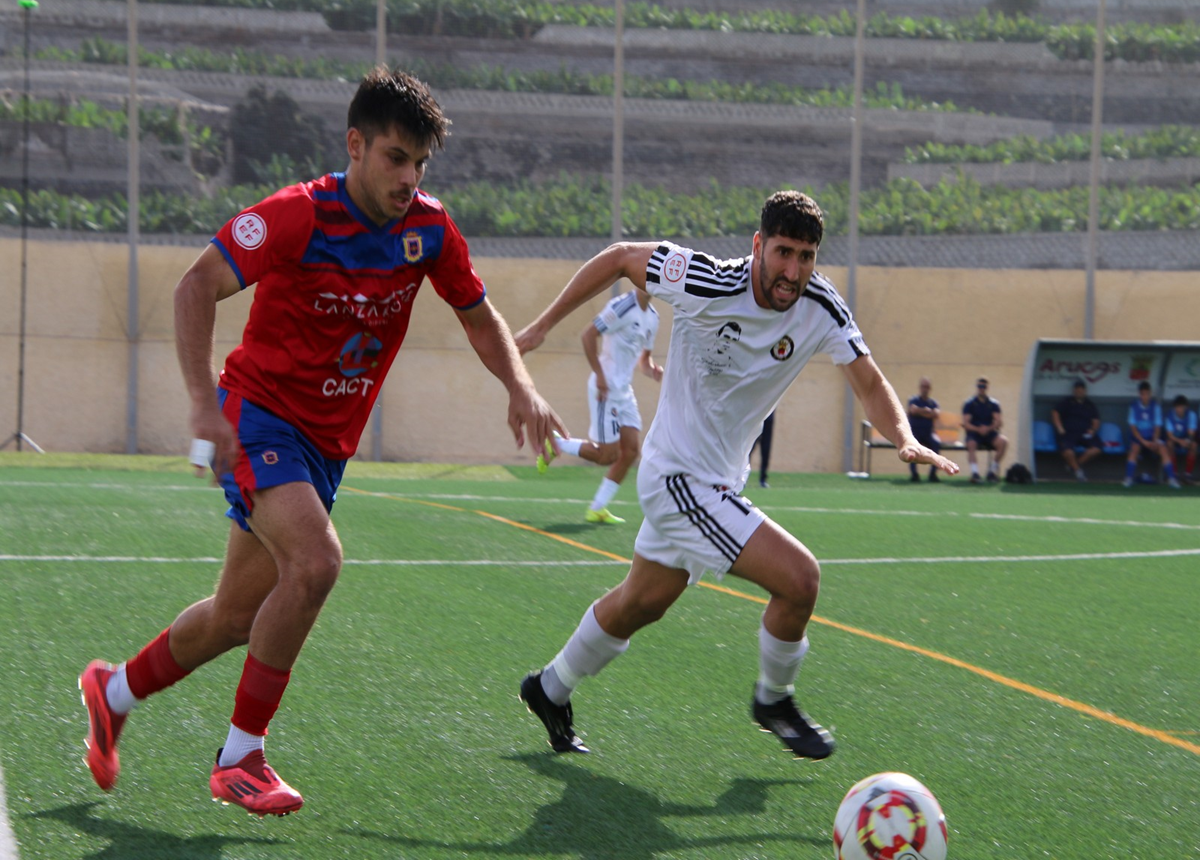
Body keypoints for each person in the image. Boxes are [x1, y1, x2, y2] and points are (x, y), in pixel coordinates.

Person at [77, 67, 563, 817]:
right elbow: (193, 286)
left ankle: (112, 693)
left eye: (421, 163)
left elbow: (475, 312)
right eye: (396, 158)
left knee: (237, 616)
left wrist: (520, 385)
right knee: (316, 561)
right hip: (258, 416)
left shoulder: (428, 229)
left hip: (326, 446)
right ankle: (240, 758)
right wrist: (204, 407)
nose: (410, 177)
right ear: (356, 145)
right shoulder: (296, 215)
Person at [511, 190, 957, 761]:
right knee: (800, 579)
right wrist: (545, 325)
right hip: (677, 479)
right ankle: (774, 699)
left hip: (719, 482)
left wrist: (904, 437)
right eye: (783, 252)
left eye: (807, 256)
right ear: (757, 247)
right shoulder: (704, 279)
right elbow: (622, 255)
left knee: (641, 603)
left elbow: (869, 380)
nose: (793, 271)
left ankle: (548, 688)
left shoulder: (821, 306)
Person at [537, 289, 663, 524]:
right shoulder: (622, 306)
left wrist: (653, 371)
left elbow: (644, 361)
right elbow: (588, 335)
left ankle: (597, 508)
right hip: (605, 389)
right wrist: (600, 374)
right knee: (606, 455)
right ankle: (556, 443)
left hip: (624, 392)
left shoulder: (653, 317)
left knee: (631, 451)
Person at [1125, 381, 1178, 488]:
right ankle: (1128, 478)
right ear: (1139, 394)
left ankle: (1172, 479)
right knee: (1134, 449)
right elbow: (1133, 428)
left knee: (1163, 449)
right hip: (1140, 438)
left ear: (1150, 393)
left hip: (1152, 437)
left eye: (1147, 394)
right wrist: (1143, 441)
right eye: (1143, 394)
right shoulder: (1134, 407)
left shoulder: (1155, 406)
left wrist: (1154, 440)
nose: (1145, 396)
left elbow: (1157, 426)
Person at [1050, 379, 1102, 482]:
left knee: (1096, 448)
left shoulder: (1089, 404)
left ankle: (1073, 465)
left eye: (1081, 390)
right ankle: (1078, 472)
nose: (1079, 392)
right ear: (1074, 391)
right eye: (1077, 390)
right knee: (1068, 452)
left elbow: (1096, 420)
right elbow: (1055, 413)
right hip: (1069, 433)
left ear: (1085, 391)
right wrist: (1059, 427)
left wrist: (1092, 430)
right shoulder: (1067, 402)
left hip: (1085, 434)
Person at [962, 378, 1008, 484]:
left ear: (986, 388)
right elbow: (966, 424)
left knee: (1003, 442)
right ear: (976, 387)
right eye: (979, 386)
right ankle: (975, 473)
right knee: (971, 444)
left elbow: (998, 422)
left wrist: (988, 428)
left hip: (989, 432)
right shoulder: (970, 403)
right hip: (974, 432)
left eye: (983, 386)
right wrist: (978, 429)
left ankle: (992, 472)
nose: (981, 389)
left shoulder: (993, 404)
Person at [906, 377, 941, 483]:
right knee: (912, 448)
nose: (925, 389)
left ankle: (933, 474)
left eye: (927, 387)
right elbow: (912, 410)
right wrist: (926, 412)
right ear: (920, 388)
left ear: (930, 389)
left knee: (936, 443)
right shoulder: (913, 400)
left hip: (928, 433)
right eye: (923, 387)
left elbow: (936, 414)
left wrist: (920, 412)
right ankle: (914, 474)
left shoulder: (933, 402)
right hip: (915, 433)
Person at [1165, 394, 1197, 484]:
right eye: (1178, 407)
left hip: (1186, 440)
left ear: (1186, 407)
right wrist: (1180, 441)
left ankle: (1187, 474)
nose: (1180, 410)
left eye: (1182, 407)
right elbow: (1169, 434)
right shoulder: (1170, 416)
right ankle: (1174, 474)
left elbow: (1191, 432)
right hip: (1175, 440)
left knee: (1194, 445)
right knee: (1169, 444)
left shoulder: (1191, 415)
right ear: (1174, 407)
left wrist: (1187, 441)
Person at [750, 411, 775, 488]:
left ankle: (763, 480)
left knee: (766, 450)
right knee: (749, 450)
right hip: (756, 419)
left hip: (768, 419)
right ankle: (742, 478)